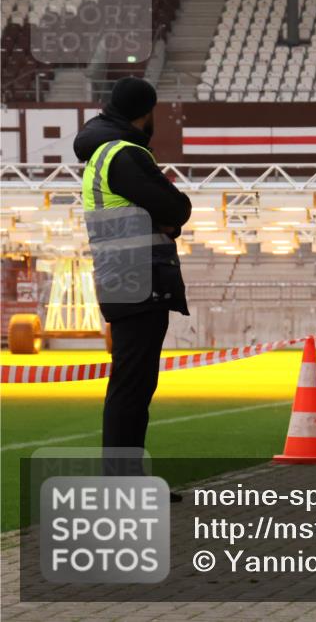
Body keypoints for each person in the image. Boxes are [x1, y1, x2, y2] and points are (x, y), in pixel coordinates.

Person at [74, 77, 191, 495]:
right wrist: (167, 219)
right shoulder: (125, 154)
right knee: (132, 387)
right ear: (145, 113)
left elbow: (166, 213)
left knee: (132, 384)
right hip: (138, 280)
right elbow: (178, 207)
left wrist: (164, 218)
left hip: (122, 279)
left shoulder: (101, 154)